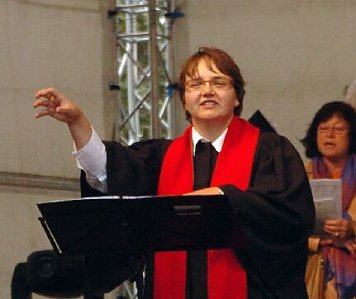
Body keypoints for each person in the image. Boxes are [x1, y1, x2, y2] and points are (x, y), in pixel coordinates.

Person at [33, 47, 315, 299]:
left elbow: (290, 215)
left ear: (237, 98)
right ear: (184, 101)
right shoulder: (161, 157)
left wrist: (224, 198)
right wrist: (77, 122)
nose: (207, 91)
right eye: (195, 85)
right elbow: (109, 170)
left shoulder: (269, 150)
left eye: (219, 83)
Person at [302, 101, 356, 299]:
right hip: (312, 271)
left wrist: (351, 229)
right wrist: (320, 242)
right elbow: (285, 228)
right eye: (323, 128)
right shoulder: (300, 175)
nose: (329, 134)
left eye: (339, 129)